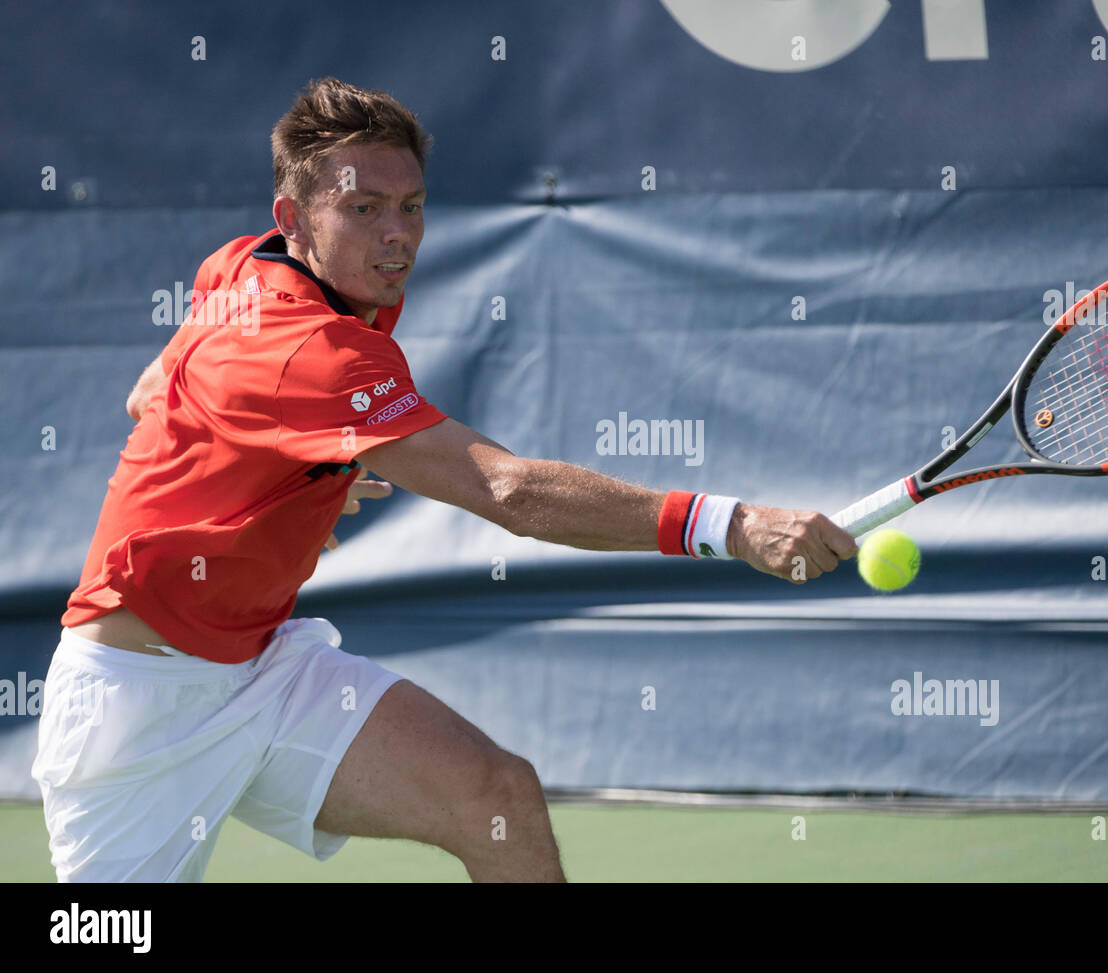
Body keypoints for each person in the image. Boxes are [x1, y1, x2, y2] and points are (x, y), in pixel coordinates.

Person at [32, 77, 857, 883]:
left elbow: (149, 393)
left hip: (263, 669)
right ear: (296, 218)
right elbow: (510, 492)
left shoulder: (244, 262)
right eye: (364, 209)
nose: (397, 234)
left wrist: (282, 472)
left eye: (412, 205)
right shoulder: (314, 349)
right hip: (133, 710)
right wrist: (733, 524)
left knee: (496, 796)